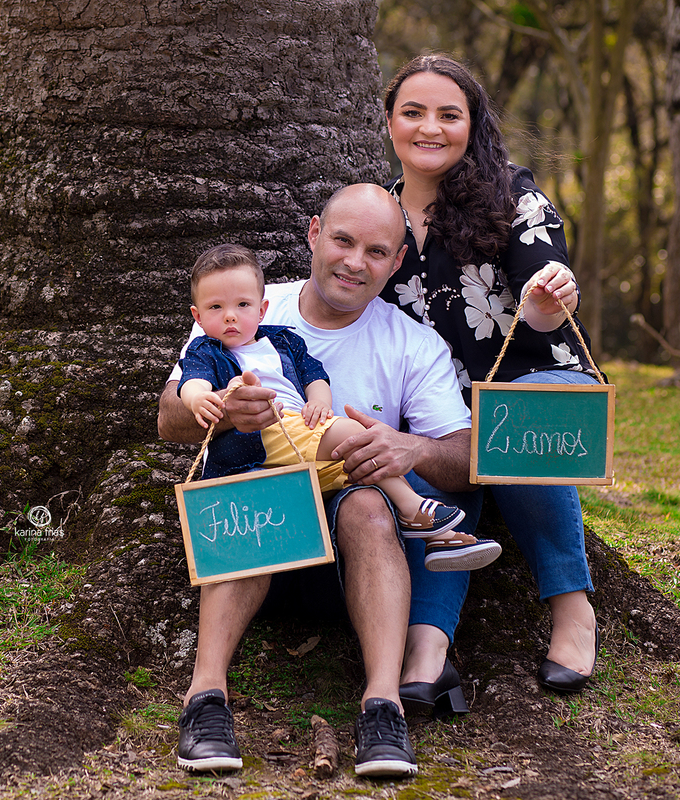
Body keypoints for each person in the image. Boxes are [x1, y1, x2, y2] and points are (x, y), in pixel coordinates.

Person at [158, 183, 476, 778]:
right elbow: (170, 416)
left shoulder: (411, 343)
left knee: (369, 505)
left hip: (350, 557)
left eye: (377, 251)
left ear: (397, 261)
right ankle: (205, 701)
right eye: (343, 240)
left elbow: (463, 458)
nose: (356, 261)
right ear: (313, 234)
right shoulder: (244, 301)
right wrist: (226, 412)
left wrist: (406, 447)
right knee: (254, 491)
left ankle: (382, 709)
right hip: (253, 539)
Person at [380, 53, 601, 714]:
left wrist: (546, 295)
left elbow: (547, 273)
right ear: (389, 122)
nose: (430, 127)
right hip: (440, 408)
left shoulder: (513, 193)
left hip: (539, 380)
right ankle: (427, 648)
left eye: (449, 114)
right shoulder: (377, 220)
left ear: (471, 124)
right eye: (413, 112)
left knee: (505, 430)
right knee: (435, 470)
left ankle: (572, 608)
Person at [178, 242, 500, 571]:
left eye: (242, 305)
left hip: (297, 446)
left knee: (363, 471)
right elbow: (191, 383)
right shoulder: (207, 349)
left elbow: (314, 376)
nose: (230, 315)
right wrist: (205, 400)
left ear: (261, 310)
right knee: (353, 433)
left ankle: (441, 540)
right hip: (261, 441)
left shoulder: (282, 340)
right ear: (198, 317)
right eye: (216, 308)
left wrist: (319, 403)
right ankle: (414, 507)